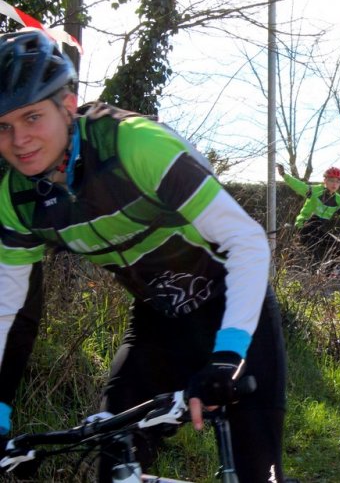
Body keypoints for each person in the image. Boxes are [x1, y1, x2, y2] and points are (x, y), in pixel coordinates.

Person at [0, 29, 287, 481]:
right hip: (157, 320)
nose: (19, 140)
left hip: (232, 305)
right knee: (114, 454)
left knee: (255, 469)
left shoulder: (135, 145)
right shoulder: (17, 199)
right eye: (3, 126)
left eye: (32, 117)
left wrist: (227, 356)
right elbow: (7, 313)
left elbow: (247, 242)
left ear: (68, 105)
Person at [278, 164, 340, 261]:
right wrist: (284, 175)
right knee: (317, 258)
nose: (334, 184)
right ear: (325, 180)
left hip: (318, 230)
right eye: (331, 180)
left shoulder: (338, 199)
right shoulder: (315, 191)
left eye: (338, 181)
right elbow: (299, 186)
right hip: (305, 227)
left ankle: (332, 274)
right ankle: (319, 272)